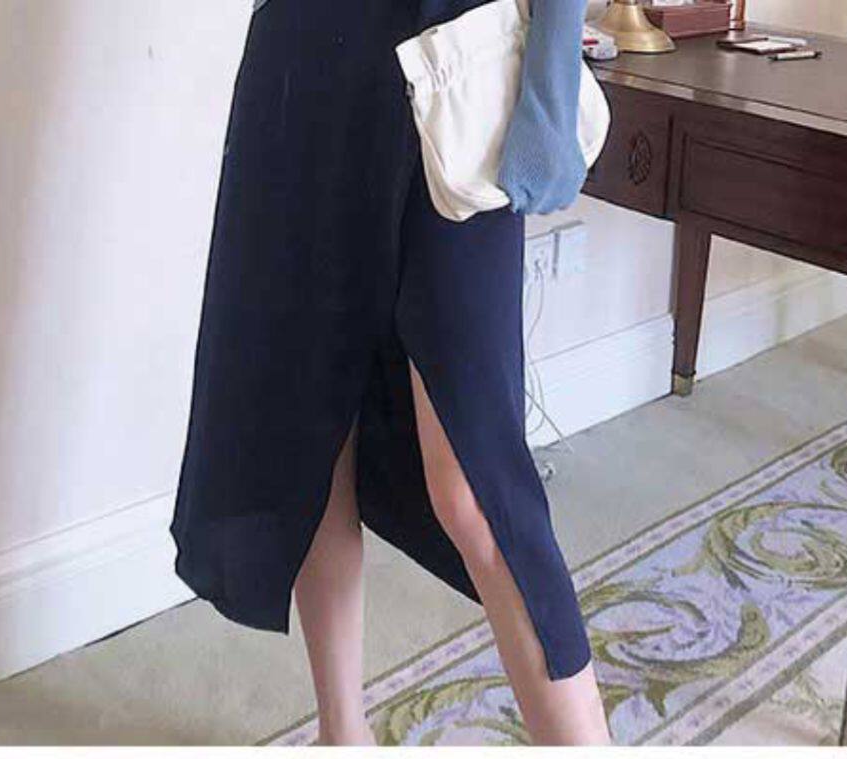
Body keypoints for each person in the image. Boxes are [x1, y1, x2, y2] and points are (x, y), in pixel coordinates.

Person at [170, 0, 610, 744]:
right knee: (315, 426)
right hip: (305, 62)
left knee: (474, 481)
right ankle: (342, 734)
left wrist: (551, 82)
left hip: (453, 58)